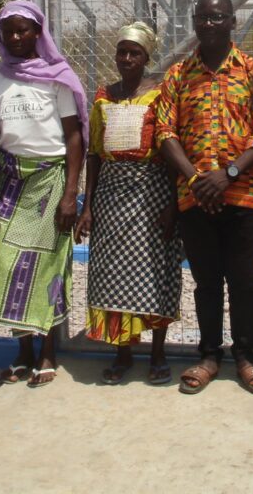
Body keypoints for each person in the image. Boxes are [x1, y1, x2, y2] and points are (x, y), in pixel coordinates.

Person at [155, 0, 253, 396]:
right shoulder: (177, 75)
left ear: (232, 22)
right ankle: (208, 355)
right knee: (206, 282)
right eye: (203, 18)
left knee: (244, 282)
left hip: (243, 197)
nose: (209, 24)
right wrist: (194, 178)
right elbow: (165, 132)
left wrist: (228, 173)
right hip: (195, 199)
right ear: (194, 22)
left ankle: (246, 355)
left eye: (218, 17)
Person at [0, 0, 87, 387]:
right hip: (11, 181)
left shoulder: (56, 77)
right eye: (9, 30)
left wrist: (70, 192)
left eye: (23, 29)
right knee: (7, 264)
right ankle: (22, 351)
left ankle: (47, 353)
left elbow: (74, 136)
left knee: (46, 266)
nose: (16, 37)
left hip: (50, 180)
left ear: (37, 33)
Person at [76, 21, 182, 385]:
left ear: (146, 56)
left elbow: (170, 148)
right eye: (121, 51)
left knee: (156, 272)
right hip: (111, 196)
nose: (126, 58)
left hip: (152, 194)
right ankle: (122, 352)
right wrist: (87, 205)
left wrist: (172, 204)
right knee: (111, 275)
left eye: (133, 52)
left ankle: (157, 353)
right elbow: (93, 153)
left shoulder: (160, 92)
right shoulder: (105, 96)